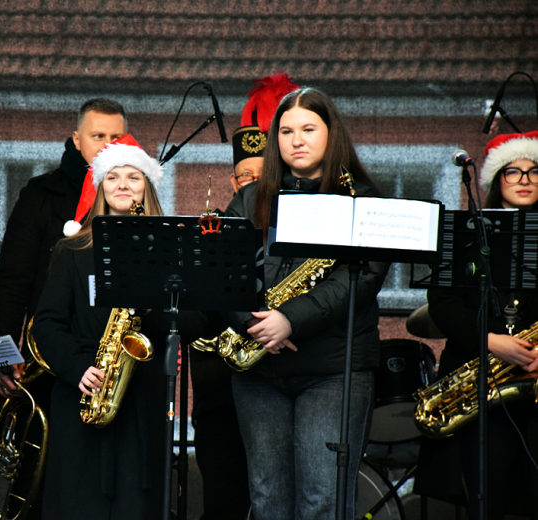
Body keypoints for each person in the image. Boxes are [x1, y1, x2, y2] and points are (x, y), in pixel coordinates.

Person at [224, 87, 389, 519]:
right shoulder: (249, 198)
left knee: (323, 502)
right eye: (286, 130)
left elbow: (360, 280)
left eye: (308, 129)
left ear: (331, 134)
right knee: (267, 503)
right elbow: (223, 272)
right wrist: (254, 324)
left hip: (332, 372)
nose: (296, 139)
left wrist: (289, 321)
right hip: (259, 369)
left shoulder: (365, 201)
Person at [32, 135, 207, 519]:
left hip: (143, 398)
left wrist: (155, 309)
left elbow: (197, 320)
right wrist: (78, 368)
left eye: (134, 176)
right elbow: (47, 324)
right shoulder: (71, 250)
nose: (123, 185)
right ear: (99, 187)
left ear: (147, 186)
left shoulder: (171, 251)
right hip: (84, 393)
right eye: (113, 177)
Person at [190, 71, 300, 520]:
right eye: (244, 176)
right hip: (220, 389)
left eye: (261, 174)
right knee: (225, 498)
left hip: (284, 374)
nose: (252, 183)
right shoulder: (211, 229)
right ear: (234, 184)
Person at [414, 131, 538, 519]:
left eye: (534, 172)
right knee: (488, 494)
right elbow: (442, 304)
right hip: (482, 374)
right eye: (513, 171)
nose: (524, 180)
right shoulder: (466, 235)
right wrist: (491, 341)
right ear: (495, 179)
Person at [0, 97, 127, 398]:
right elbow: (12, 280)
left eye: (116, 138)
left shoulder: (136, 199)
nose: (107, 145)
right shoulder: (40, 195)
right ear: (77, 140)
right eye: (98, 136)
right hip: (48, 356)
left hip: (118, 362)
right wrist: (0, 359)